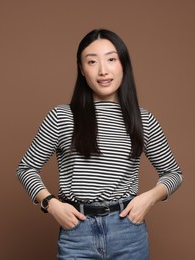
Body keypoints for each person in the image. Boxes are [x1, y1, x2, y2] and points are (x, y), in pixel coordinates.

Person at [17, 28, 183, 259]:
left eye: (111, 59)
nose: (103, 70)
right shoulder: (62, 117)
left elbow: (173, 173)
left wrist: (149, 198)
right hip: (77, 232)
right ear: (81, 69)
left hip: (128, 232)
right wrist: (51, 204)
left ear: (123, 64)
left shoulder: (142, 119)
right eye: (92, 61)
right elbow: (26, 169)